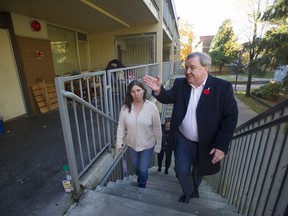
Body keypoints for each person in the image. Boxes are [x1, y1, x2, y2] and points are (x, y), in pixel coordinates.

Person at [143, 52, 238, 203]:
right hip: (183, 139)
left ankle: (195, 188)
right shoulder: (181, 84)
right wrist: (158, 90)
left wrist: (221, 146)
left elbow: (230, 118)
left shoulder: (222, 88)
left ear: (206, 69)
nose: (187, 71)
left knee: (199, 171)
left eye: (192, 67)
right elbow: (167, 97)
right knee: (180, 171)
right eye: (186, 67)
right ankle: (188, 193)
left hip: (207, 143)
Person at [116, 79, 162, 188]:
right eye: (133, 91)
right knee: (135, 166)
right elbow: (121, 126)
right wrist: (119, 142)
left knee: (142, 168)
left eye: (138, 90)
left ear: (143, 91)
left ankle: (142, 184)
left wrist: (158, 145)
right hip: (132, 144)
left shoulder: (152, 107)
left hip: (147, 145)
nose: (136, 94)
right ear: (129, 93)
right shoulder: (125, 108)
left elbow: (157, 128)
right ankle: (141, 177)